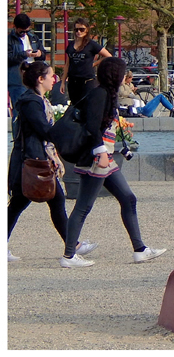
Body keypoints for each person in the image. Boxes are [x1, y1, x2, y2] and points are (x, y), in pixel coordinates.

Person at [61, 57, 166, 268]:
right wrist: (100, 151)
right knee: (83, 206)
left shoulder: (104, 93)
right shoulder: (101, 94)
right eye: (122, 73)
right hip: (98, 157)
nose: (124, 77)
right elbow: (92, 126)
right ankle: (69, 255)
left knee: (128, 199)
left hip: (105, 157)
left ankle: (140, 249)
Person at [8, 61, 97, 263]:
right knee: (50, 201)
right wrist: (68, 126)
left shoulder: (34, 99)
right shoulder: (32, 102)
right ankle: (72, 249)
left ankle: (73, 246)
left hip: (31, 159)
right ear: (40, 79)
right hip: (32, 160)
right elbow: (44, 130)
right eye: (50, 75)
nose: (54, 79)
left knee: (23, 204)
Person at [61, 18, 112, 106]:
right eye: (76, 30)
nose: (79, 32)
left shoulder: (91, 44)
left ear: (87, 30)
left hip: (86, 80)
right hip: (73, 81)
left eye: (82, 29)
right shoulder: (71, 45)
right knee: (74, 105)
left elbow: (108, 56)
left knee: (86, 105)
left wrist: (94, 64)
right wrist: (62, 82)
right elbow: (67, 64)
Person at [8, 13, 45, 132]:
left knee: (35, 109)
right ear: (15, 27)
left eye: (26, 31)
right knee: (19, 111)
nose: (24, 34)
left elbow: (43, 53)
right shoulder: (9, 40)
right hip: (17, 80)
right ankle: (18, 137)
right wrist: (25, 54)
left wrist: (39, 54)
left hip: (33, 78)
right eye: (21, 32)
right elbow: (8, 58)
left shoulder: (33, 37)